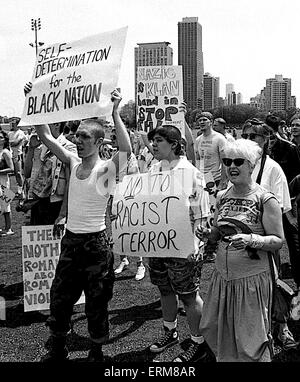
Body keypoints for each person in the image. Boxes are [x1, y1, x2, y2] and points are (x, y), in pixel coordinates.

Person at [34, 88, 132, 362]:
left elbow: (126, 150)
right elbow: (45, 136)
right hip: (71, 242)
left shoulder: (106, 170)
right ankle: (58, 345)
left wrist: (114, 112)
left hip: (96, 246)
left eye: (85, 137)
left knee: (97, 302)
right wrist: (35, 102)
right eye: (77, 136)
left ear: (99, 142)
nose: (78, 141)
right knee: (60, 297)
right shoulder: (72, 161)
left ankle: (96, 350)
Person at [197, 138, 285, 362]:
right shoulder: (223, 195)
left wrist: (251, 239)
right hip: (223, 279)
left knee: (250, 339)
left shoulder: (266, 199)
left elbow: (277, 241)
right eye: (227, 161)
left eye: (238, 162)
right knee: (218, 328)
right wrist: (209, 234)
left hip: (251, 281)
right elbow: (219, 230)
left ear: (252, 165)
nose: (232, 167)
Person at [146, 124, 212, 362]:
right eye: (152, 140)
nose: (153, 144)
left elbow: (202, 214)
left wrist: (196, 245)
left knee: (188, 295)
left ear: (173, 144)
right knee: (164, 289)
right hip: (157, 243)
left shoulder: (191, 172)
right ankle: (170, 331)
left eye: (159, 141)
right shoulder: (153, 169)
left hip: (184, 245)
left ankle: (197, 341)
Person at [241, 118, 298, 351]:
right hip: (239, 239)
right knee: (246, 287)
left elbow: (282, 206)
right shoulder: (235, 163)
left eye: (253, 136)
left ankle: (282, 326)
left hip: (265, 237)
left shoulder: (273, 168)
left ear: (265, 140)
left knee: (272, 283)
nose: (248, 140)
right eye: (244, 135)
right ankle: (253, 330)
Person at [109, 128, 146, 281]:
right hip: (115, 197)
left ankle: (140, 264)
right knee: (117, 230)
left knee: (133, 231)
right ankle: (123, 259)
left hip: (128, 199)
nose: (111, 139)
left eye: (114, 137)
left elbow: (132, 179)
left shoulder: (130, 157)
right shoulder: (114, 155)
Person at [265, 114, 300, 183]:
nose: (294, 127)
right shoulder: (261, 147)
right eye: (292, 125)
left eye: (297, 125)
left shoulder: (290, 147)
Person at [8, 117, 28, 197]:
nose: (12, 124)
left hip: (17, 155)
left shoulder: (20, 133)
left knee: (18, 173)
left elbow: (15, 143)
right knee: (7, 174)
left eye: (14, 123)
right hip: (9, 155)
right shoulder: (9, 133)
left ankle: (21, 192)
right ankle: (9, 194)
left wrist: (11, 143)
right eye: (12, 123)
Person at [0, 130, 14, 235]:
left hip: (4, 181)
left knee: (6, 204)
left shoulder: (5, 152)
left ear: (5, 139)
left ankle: (8, 228)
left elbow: (11, 168)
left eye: (1, 137)